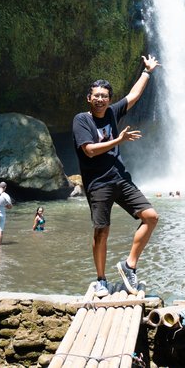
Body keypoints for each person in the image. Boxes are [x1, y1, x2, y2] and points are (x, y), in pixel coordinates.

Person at [72, 54, 161, 297]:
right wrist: (118, 140)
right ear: (89, 98)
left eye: (105, 96)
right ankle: (101, 280)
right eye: (96, 96)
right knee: (102, 230)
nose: (100, 99)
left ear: (109, 99)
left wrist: (147, 72)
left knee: (151, 216)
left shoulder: (112, 113)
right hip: (98, 183)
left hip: (120, 178)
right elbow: (89, 151)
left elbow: (133, 96)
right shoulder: (82, 120)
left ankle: (129, 265)